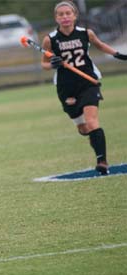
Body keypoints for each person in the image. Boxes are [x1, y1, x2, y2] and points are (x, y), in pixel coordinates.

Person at [41, 1, 127, 175]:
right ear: (56, 18)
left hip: (88, 81)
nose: (65, 17)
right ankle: (94, 141)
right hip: (66, 87)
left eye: (68, 13)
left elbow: (100, 45)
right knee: (83, 128)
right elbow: (44, 64)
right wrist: (53, 64)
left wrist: (118, 55)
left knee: (92, 121)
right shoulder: (50, 39)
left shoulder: (86, 33)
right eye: (61, 14)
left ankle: (102, 161)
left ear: (75, 15)